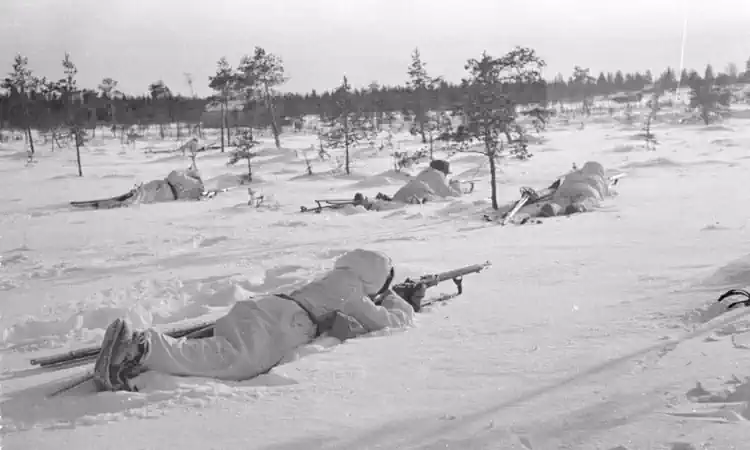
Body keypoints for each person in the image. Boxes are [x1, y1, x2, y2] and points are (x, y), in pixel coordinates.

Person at [93, 249, 418, 392]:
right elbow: (390, 323)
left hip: (266, 307)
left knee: (217, 349)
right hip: (286, 324)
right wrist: (398, 299)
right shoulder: (355, 293)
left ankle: (144, 355)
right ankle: (140, 348)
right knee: (232, 360)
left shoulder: (334, 278)